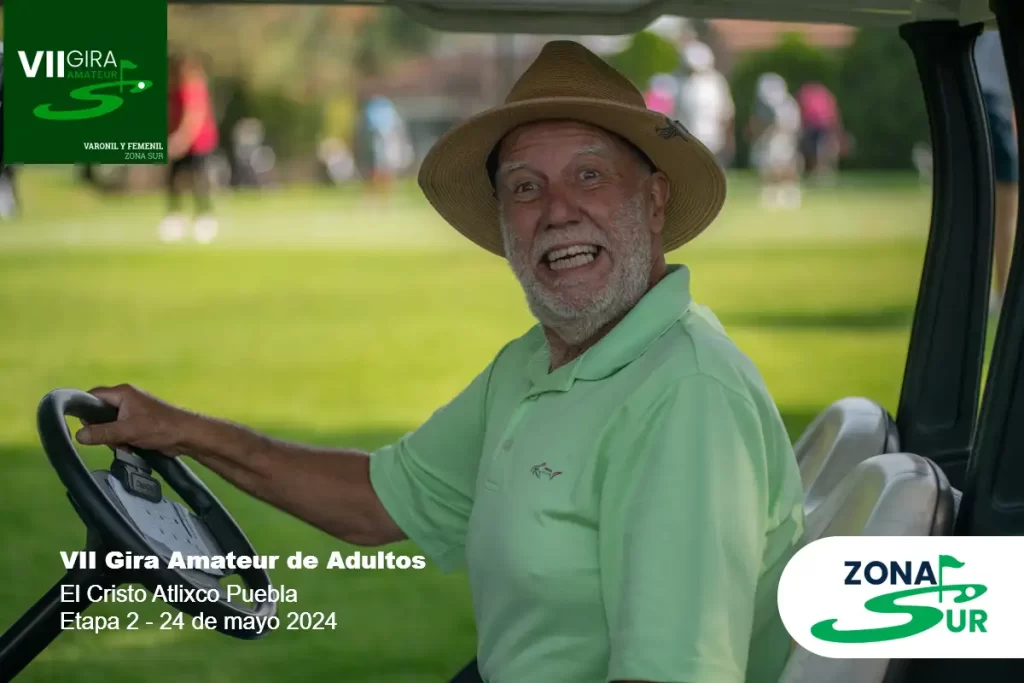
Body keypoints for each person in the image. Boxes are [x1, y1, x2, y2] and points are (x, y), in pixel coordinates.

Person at [76, 41, 804, 683]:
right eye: (525, 186)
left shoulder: (688, 396)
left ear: (654, 200)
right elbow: (376, 501)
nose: (557, 210)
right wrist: (181, 430)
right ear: (503, 220)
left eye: (589, 176)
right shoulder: (535, 363)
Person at [975, 30, 1018, 316]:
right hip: (995, 107)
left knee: (984, 212)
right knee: (1006, 213)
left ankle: (990, 292)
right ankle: (1001, 293)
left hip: (972, 102)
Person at [159, 52, 220, 244]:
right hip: (181, 140)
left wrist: (181, 140)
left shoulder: (193, 87)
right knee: (173, 179)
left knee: (198, 179)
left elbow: (193, 117)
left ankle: (204, 217)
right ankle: (175, 217)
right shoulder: (174, 89)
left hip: (199, 142)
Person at [749, 73, 803, 209]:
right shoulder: (762, 105)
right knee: (769, 167)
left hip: (784, 139)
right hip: (768, 140)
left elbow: (793, 125)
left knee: (786, 166)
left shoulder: (788, 104)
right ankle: (771, 195)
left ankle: (790, 194)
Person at [677, 41, 735, 168]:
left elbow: (726, 113)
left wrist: (729, 139)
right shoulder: (680, 82)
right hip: (686, 138)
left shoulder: (716, 82)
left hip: (713, 139)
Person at [796, 81, 843, 184]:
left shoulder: (806, 94)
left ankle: (821, 173)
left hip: (819, 128)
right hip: (819, 127)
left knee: (820, 152)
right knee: (818, 152)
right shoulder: (824, 95)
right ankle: (820, 174)